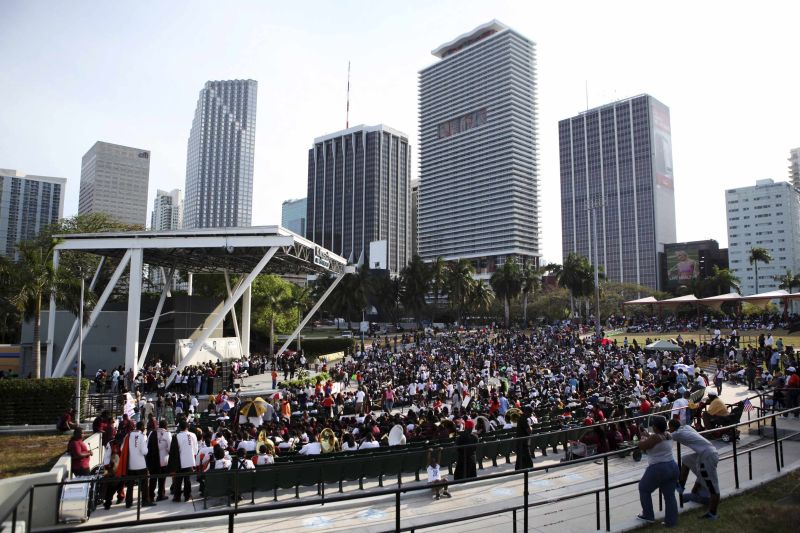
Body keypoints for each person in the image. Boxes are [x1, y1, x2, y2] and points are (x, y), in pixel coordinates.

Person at [668, 419, 720, 520]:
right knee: (686, 459)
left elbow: (664, 437)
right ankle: (681, 485)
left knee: (713, 486)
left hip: (708, 455)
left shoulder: (678, 433)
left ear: (672, 427)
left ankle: (713, 513)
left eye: (670, 428)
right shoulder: (686, 427)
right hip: (704, 453)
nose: (669, 430)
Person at [636, 416, 678, 528]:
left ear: (655, 427)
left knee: (643, 488)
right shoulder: (668, 435)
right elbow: (655, 440)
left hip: (658, 468)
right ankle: (671, 521)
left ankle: (648, 515)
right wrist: (647, 436)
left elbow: (641, 445)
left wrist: (643, 438)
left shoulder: (655, 438)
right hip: (672, 466)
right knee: (669, 496)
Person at [121, 421, 154, 508]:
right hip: (141, 464)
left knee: (130, 485)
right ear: (142, 427)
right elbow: (144, 451)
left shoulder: (128, 436)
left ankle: (128, 502)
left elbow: (122, 448)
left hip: (130, 464)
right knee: (144, 484)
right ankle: (145, 501)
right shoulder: (142, 436)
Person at [173, 420, 199, 502]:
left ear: (180, 427)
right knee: (187, 479)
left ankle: (177, 497)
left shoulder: (177, 436)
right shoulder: (193, 435)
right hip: (190, 460)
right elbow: (196, 450)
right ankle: (187, 496)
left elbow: (175, 450)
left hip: (180, 460)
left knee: (178, 479)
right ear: (187, 427)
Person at [146, 420, 171, 502]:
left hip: (153, 460)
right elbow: (170, 447)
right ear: (166, 426)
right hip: (163, 460)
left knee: (153, 479)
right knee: (162, 479)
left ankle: (150, 496)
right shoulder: (167, 434)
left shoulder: (152, 433)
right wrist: (166, 450)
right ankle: (161, 494)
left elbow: (147, 445)